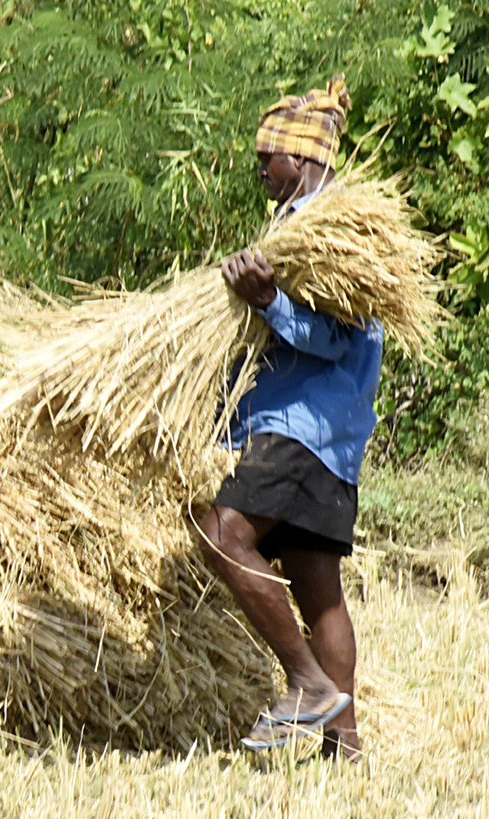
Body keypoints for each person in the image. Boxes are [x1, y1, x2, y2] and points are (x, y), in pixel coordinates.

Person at [197, 74, 379, 763]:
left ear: (299, 161)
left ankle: (305, 684)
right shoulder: (301, 228)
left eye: (264, 159)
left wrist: (269, 300)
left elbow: (336, 337)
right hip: (327, 437)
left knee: (221, 534)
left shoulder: (331, 231)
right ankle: (347, 744)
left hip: (302, 430)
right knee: (318, 589)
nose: (258, 170)